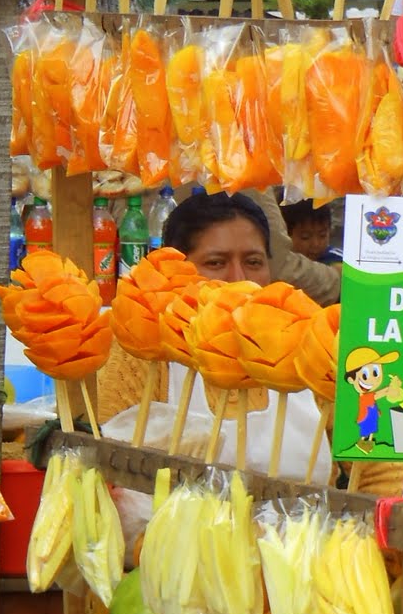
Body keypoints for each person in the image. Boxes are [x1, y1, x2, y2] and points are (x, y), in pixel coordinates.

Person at [99, 191, 332, 485]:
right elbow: (112, 472)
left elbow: (374, 464)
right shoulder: (146, 356)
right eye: (216, 263)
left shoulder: (310, 347)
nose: (239, 278)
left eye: (254, 261)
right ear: (178, 270)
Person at [280, 198, 343, 265]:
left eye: (322, 235)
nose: (316, 244)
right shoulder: (278, 262)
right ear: (285, 234)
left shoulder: (338, 261)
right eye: (305, 237)